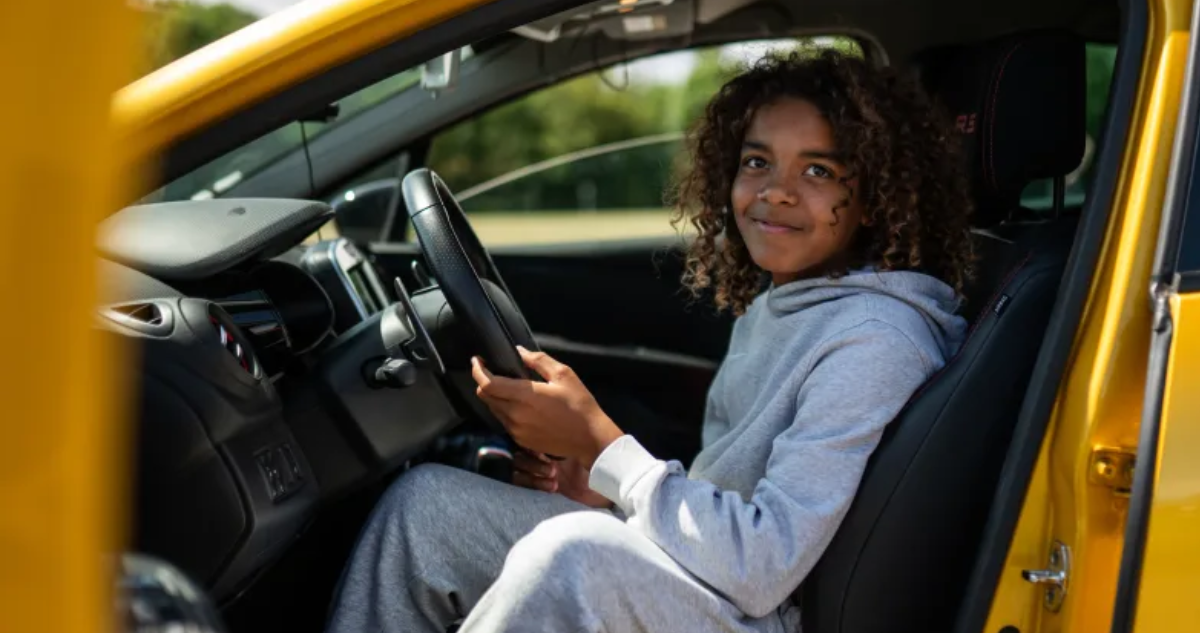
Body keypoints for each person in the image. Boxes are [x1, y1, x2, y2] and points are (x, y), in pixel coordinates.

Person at [326, 49, 975, 633]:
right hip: (717, 582)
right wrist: (606, 486)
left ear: (876, 197)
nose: (776, 190)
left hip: (762, 612)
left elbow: (762, 565)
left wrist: (603, 443)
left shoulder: (874, 340)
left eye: (819, 171)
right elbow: (730, 496)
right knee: (428, 510)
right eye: (757, 161)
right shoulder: (792, 301)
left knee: (574, 557)